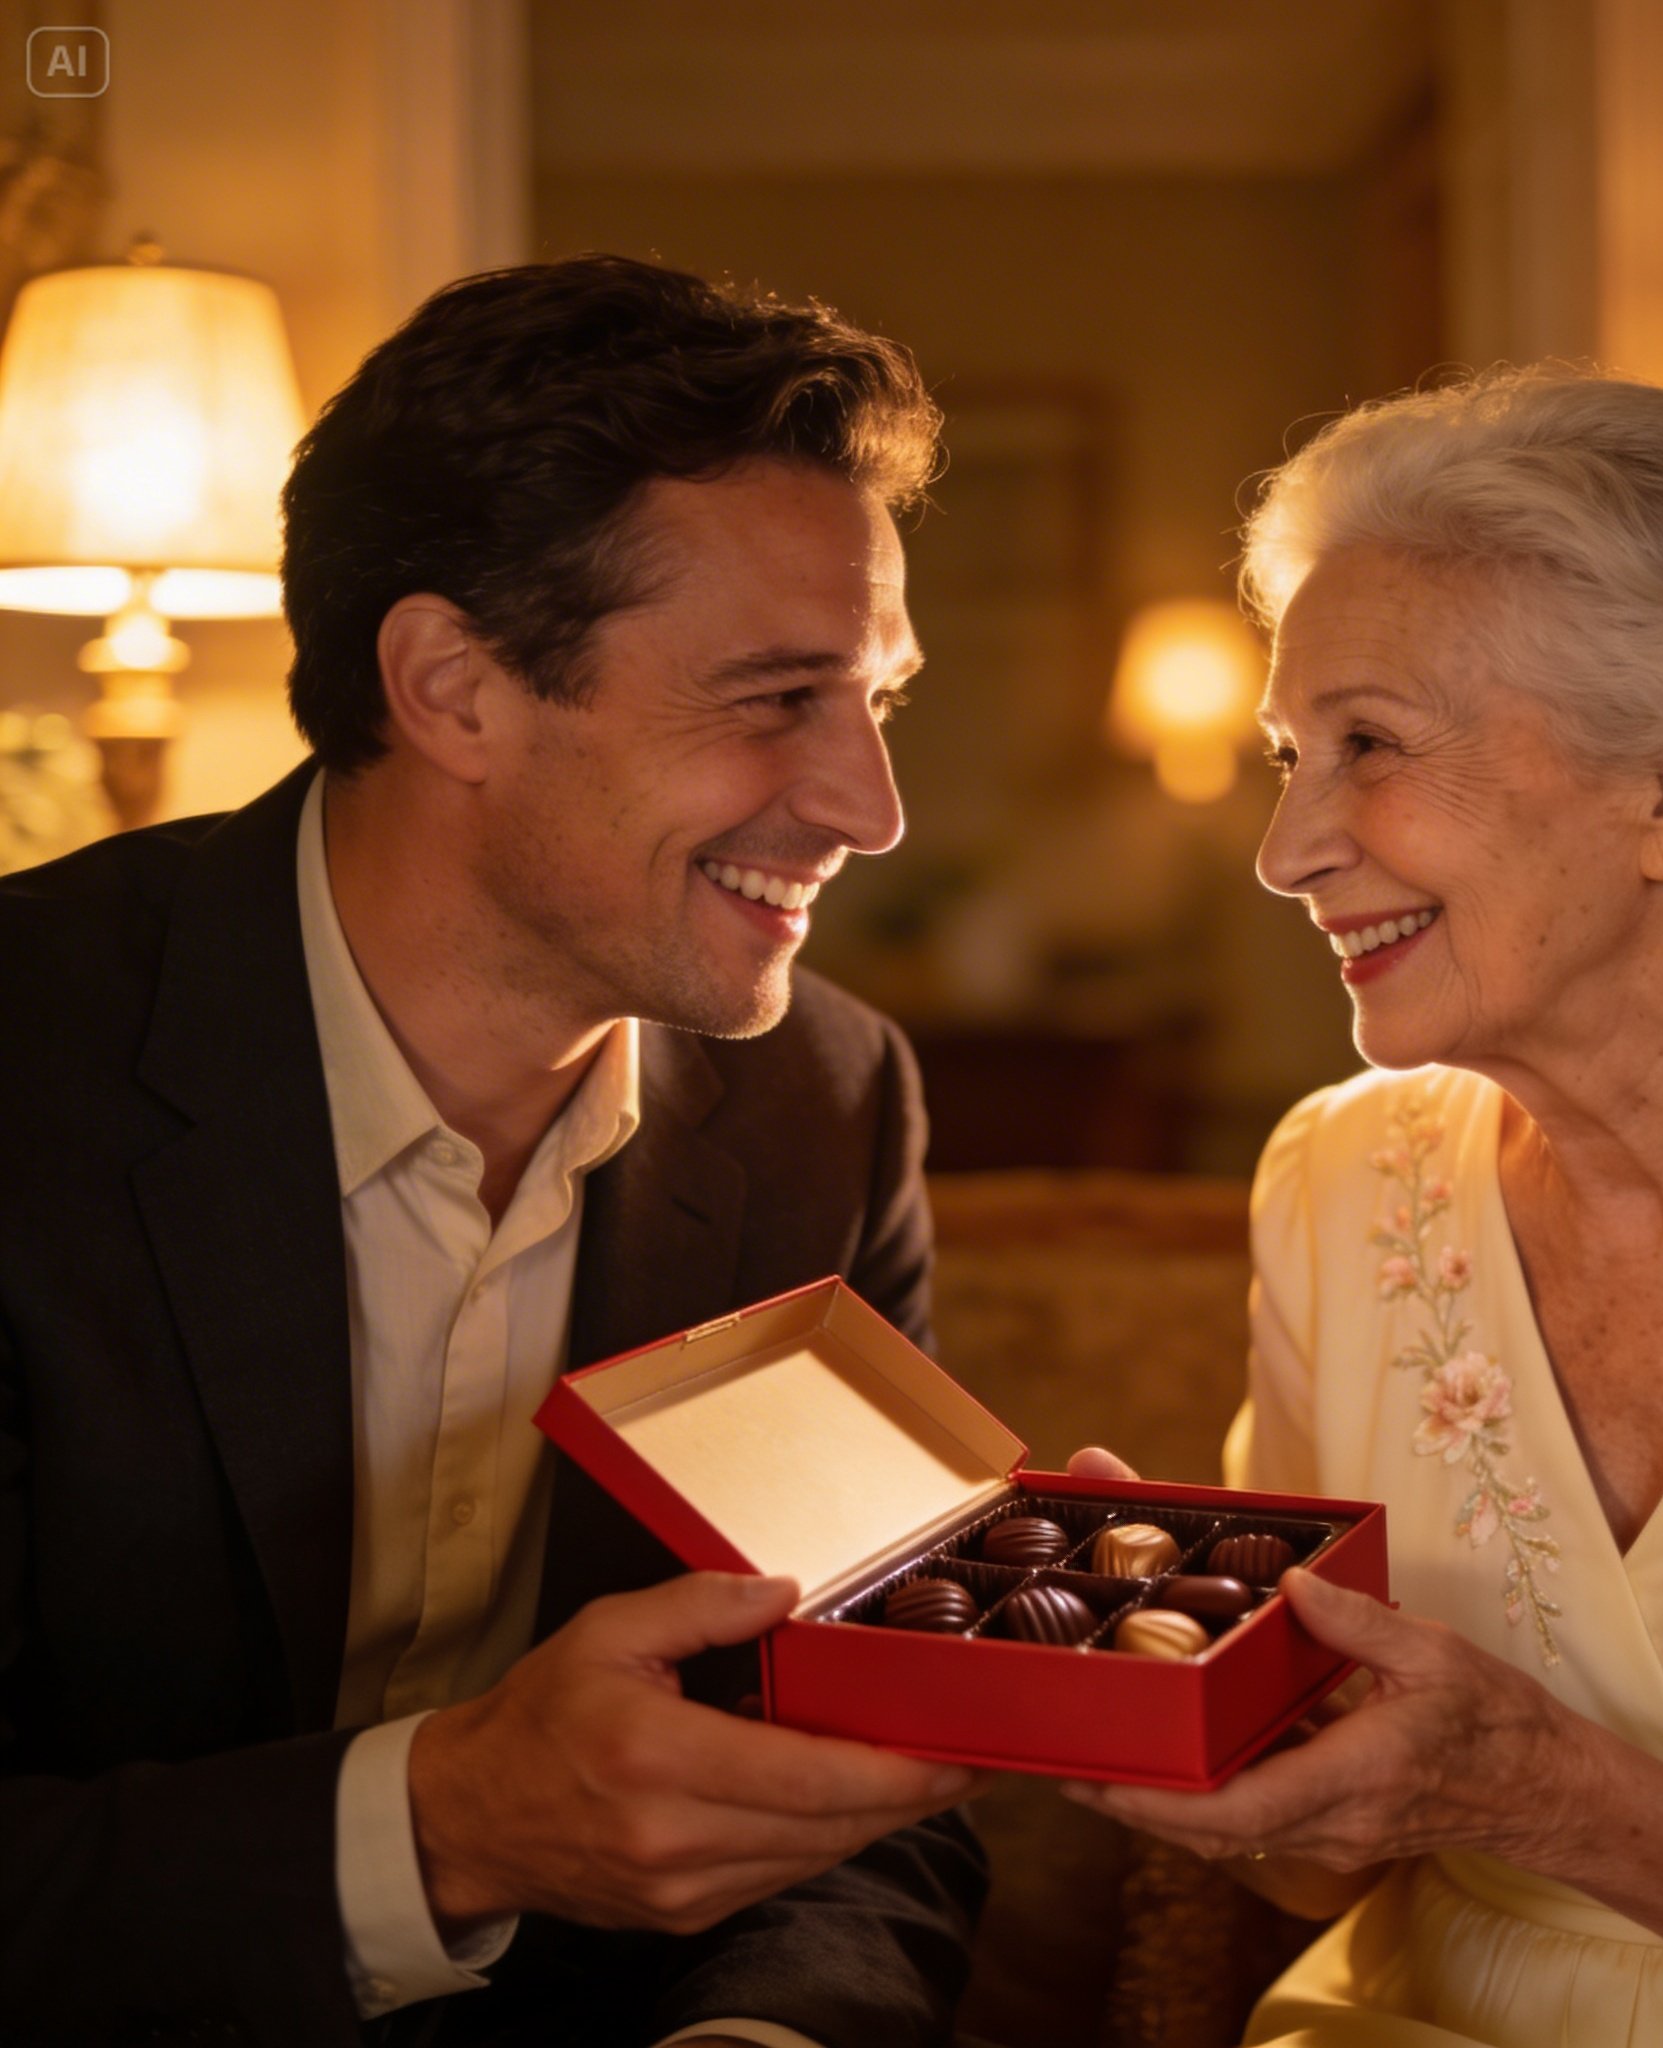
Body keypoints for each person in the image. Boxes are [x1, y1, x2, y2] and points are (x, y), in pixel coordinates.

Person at [0, 257, 990, 2047]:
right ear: (452, 688)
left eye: (880, 700)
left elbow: (866, 1763)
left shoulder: (828, 1101)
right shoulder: (26, 1065)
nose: (871, 807)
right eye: (776, 697)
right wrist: (443, 1829)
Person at [1067, 369, 1663, 2046]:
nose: (1287, 849)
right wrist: (1186, 1680)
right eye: (1294, 757)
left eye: (1371, 745)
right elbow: (1315, 1870)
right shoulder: (1340, 1176)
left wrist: (1546, 1794)